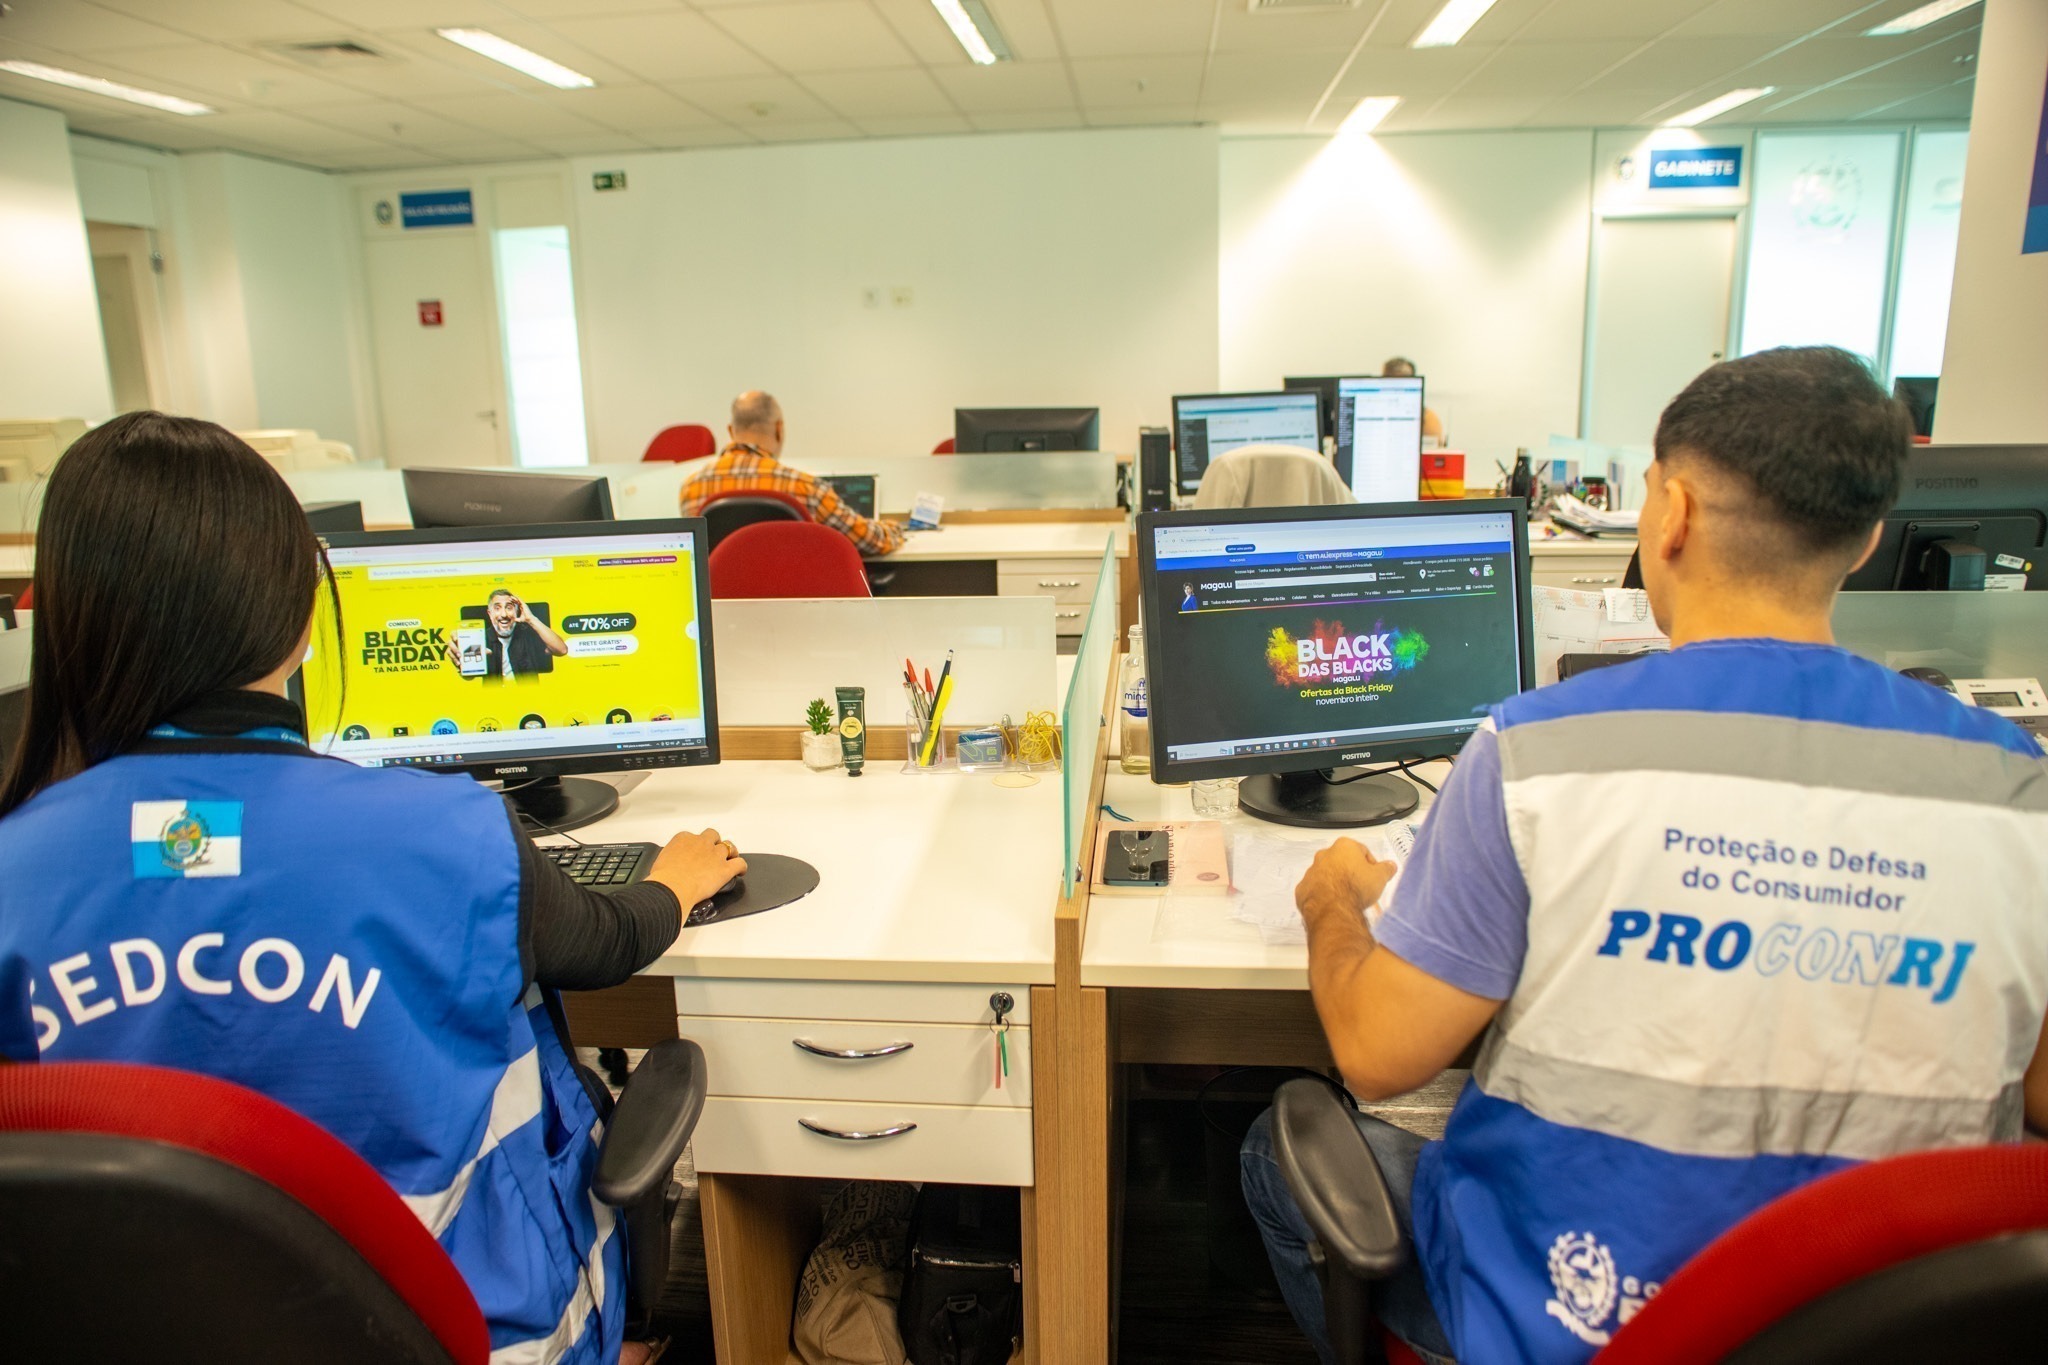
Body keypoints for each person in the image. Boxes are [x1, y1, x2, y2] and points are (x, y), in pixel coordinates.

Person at [1241, 347, 2048, 1365]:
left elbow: (1375, 1053)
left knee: (1274, 1151)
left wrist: (1331, 902)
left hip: (1576, 1324)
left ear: (1669, 514)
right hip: (1893, 1323)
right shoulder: (2014, 789)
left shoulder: (1536, 755)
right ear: (1866, 541)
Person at [0, 413, 747, 1365]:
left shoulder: (19, 864)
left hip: (133, 1330)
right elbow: (604, 943)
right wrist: (671, 884)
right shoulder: (443, 832)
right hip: (471, 1328)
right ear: (301, 617)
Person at [679, 390, 905, 556]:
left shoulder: (691, 489)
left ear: (731, 431)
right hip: (792, 603)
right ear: (779, 429)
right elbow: (870, 540)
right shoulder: (805, 487)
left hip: (722, 605)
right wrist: (894, 528)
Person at [463, 587, 568, 679]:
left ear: (516, 612)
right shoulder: (480, 638)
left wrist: (531, 619)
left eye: (509, 608)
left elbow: (561, 650)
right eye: (497, 608)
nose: (504, 614)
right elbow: (468, 675)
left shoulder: (528, 636)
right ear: (490, 614)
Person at [1381, 356, 1445, 443]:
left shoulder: (1427, 418)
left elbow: (1435, 448)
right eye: (1390, 380)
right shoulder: (1371, 414)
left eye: (1402, 380)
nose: (1396, 387)